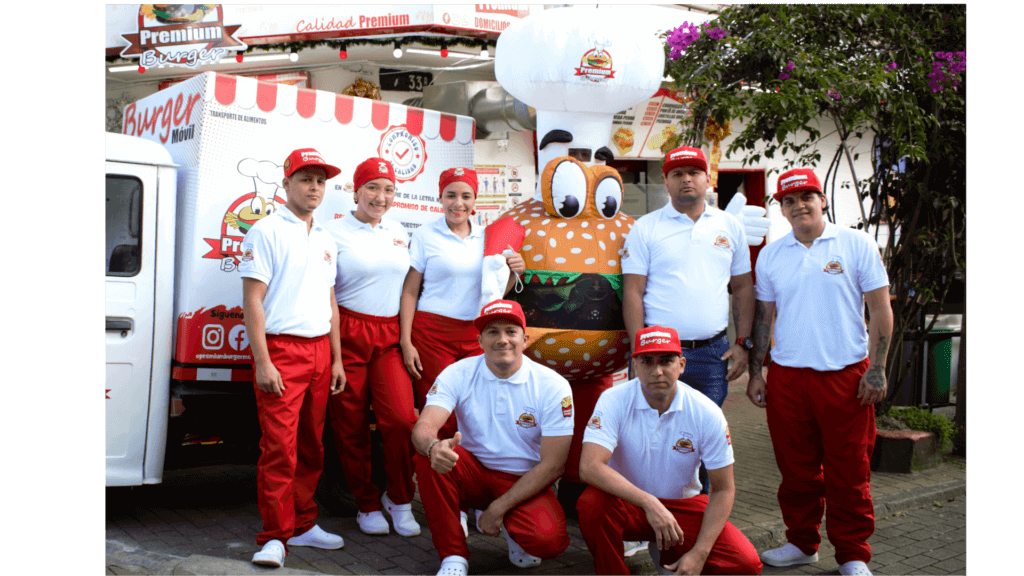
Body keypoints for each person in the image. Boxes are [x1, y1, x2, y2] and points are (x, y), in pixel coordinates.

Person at [746, 168, 892, 576]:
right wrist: (756, 373)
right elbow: (764, 319)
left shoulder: (856, 243)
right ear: (781, 209)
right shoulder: (772, 255)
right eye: (789, 201)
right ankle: (801, 543)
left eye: (806, 197)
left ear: (822, 200)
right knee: (796, 470)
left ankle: (852, 554)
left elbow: (881, 309)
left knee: (849, 471)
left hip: (845, 376)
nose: (799, 206)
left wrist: (877, 368)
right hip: (788, 377)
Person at [399, 167, 525, 536]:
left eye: (465, 196)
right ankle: (447, 505)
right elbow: (410, 291)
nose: (458, 203)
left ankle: (469, 495)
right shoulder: (426, 235)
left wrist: (516, 269)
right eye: (451, 195)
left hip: (474, 335)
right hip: (431, 333)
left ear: (475, 200)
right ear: (440, 198)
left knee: (474, 417)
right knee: (440, 419)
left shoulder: (489, 237)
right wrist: (406, 341)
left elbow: (499, 288)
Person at [577, 326, 763, 576]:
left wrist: (699, 554)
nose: (657, 372)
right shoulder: (613, 399)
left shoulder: (706, 411)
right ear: (635, 366)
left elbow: (723, 489)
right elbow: (589, 467)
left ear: (682, 365)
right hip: (627, 504)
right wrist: (649, 502)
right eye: (647, 361)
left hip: (682, 507)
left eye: (666, 361)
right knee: (591, 504)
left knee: (746, 563)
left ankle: (666, 547)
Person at [240, 148, 348, 568]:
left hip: (320, 350)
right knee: (280, 450)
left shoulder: (325, 238)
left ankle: (302, 525)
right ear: (286, 184)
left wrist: (336, 359)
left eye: (320, 181)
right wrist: (263, 361)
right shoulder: (265, 231)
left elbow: (330, 301)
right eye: (306, 179)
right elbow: (253, 300)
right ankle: (274, 537)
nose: (314, 188)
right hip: (282, 350)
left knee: (311, 447)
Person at [411, 300, 573, 576]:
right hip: (473, 471)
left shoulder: (553, 385)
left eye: (511, 331)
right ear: (480, 341)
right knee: (431, 458)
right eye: (492, 332)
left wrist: (498, 509)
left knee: (548, 542)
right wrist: (433, 446)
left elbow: (553, 465)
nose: (502, 340)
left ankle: (513, 526)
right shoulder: (458, 372)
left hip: (523, 479)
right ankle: (453, 556)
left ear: (525, 339)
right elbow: (423, 428)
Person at [324, 157, 420, 538]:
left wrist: (406, 338)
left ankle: (399, 498)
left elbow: (410, 286)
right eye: (373, 188)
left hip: (388, 337)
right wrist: (335, 354)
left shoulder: (398, 231)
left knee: (401, 419)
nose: (381, 197)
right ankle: (366, 503)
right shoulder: (333, 232)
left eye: (389, 189)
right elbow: (326, 294)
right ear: (356, 191)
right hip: (347, 332)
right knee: (350, 425)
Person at [622, 145, 755, 409]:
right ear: (666, 181)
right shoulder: (645, 228)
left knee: (707, 428)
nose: (686, 179)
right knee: (653, 426)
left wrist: (743, 342)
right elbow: (633, 291)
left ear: (708, 178)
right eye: (677, 173)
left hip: (713, 353)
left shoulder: (730, 225)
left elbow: (743, 287)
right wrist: (639, 353)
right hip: (657, 353)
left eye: (694, 172)